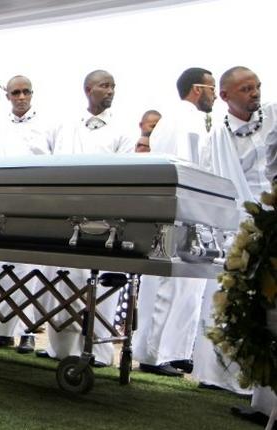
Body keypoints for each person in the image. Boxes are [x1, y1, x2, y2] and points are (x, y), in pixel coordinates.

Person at [198, 67, 276, 416]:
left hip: (273, 221)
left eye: (257, 87)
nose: (254, 93)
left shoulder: (273, 117)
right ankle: (245, 388)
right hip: (243, 227)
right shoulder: (215, 136)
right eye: (246, 89)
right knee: (247, 307)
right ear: (226, 96)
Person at [44, 70, 134, 367]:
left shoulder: (123, 130)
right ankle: (60, 348)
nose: (111, 91)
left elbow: (125, 172)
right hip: (66, 214)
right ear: (88, 89)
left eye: (113, 86)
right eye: (105, 85)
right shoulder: (64, 126)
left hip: (104, 218)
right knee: (65, 281)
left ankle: (98, 350)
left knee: (101, 285)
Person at [133, 68, 216, 377]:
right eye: (211, 87)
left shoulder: (189, 119)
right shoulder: (183, 120)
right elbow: (189, 168)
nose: (215, 93)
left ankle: (176, 349)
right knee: (167, 283)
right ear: (196, 89)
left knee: (188, 284)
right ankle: (153, 354)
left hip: (189, 213)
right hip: (177, 214)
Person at [0, 75, 55, 353]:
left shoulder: (48, 124)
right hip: (2, 206)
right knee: (0, 270)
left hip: (35, 207)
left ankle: (28, 332)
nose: (21, 97)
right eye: (15, 93)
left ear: (32, 94)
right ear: (7, 96)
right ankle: (2, 329)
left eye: (25, 92)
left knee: (30, 272)